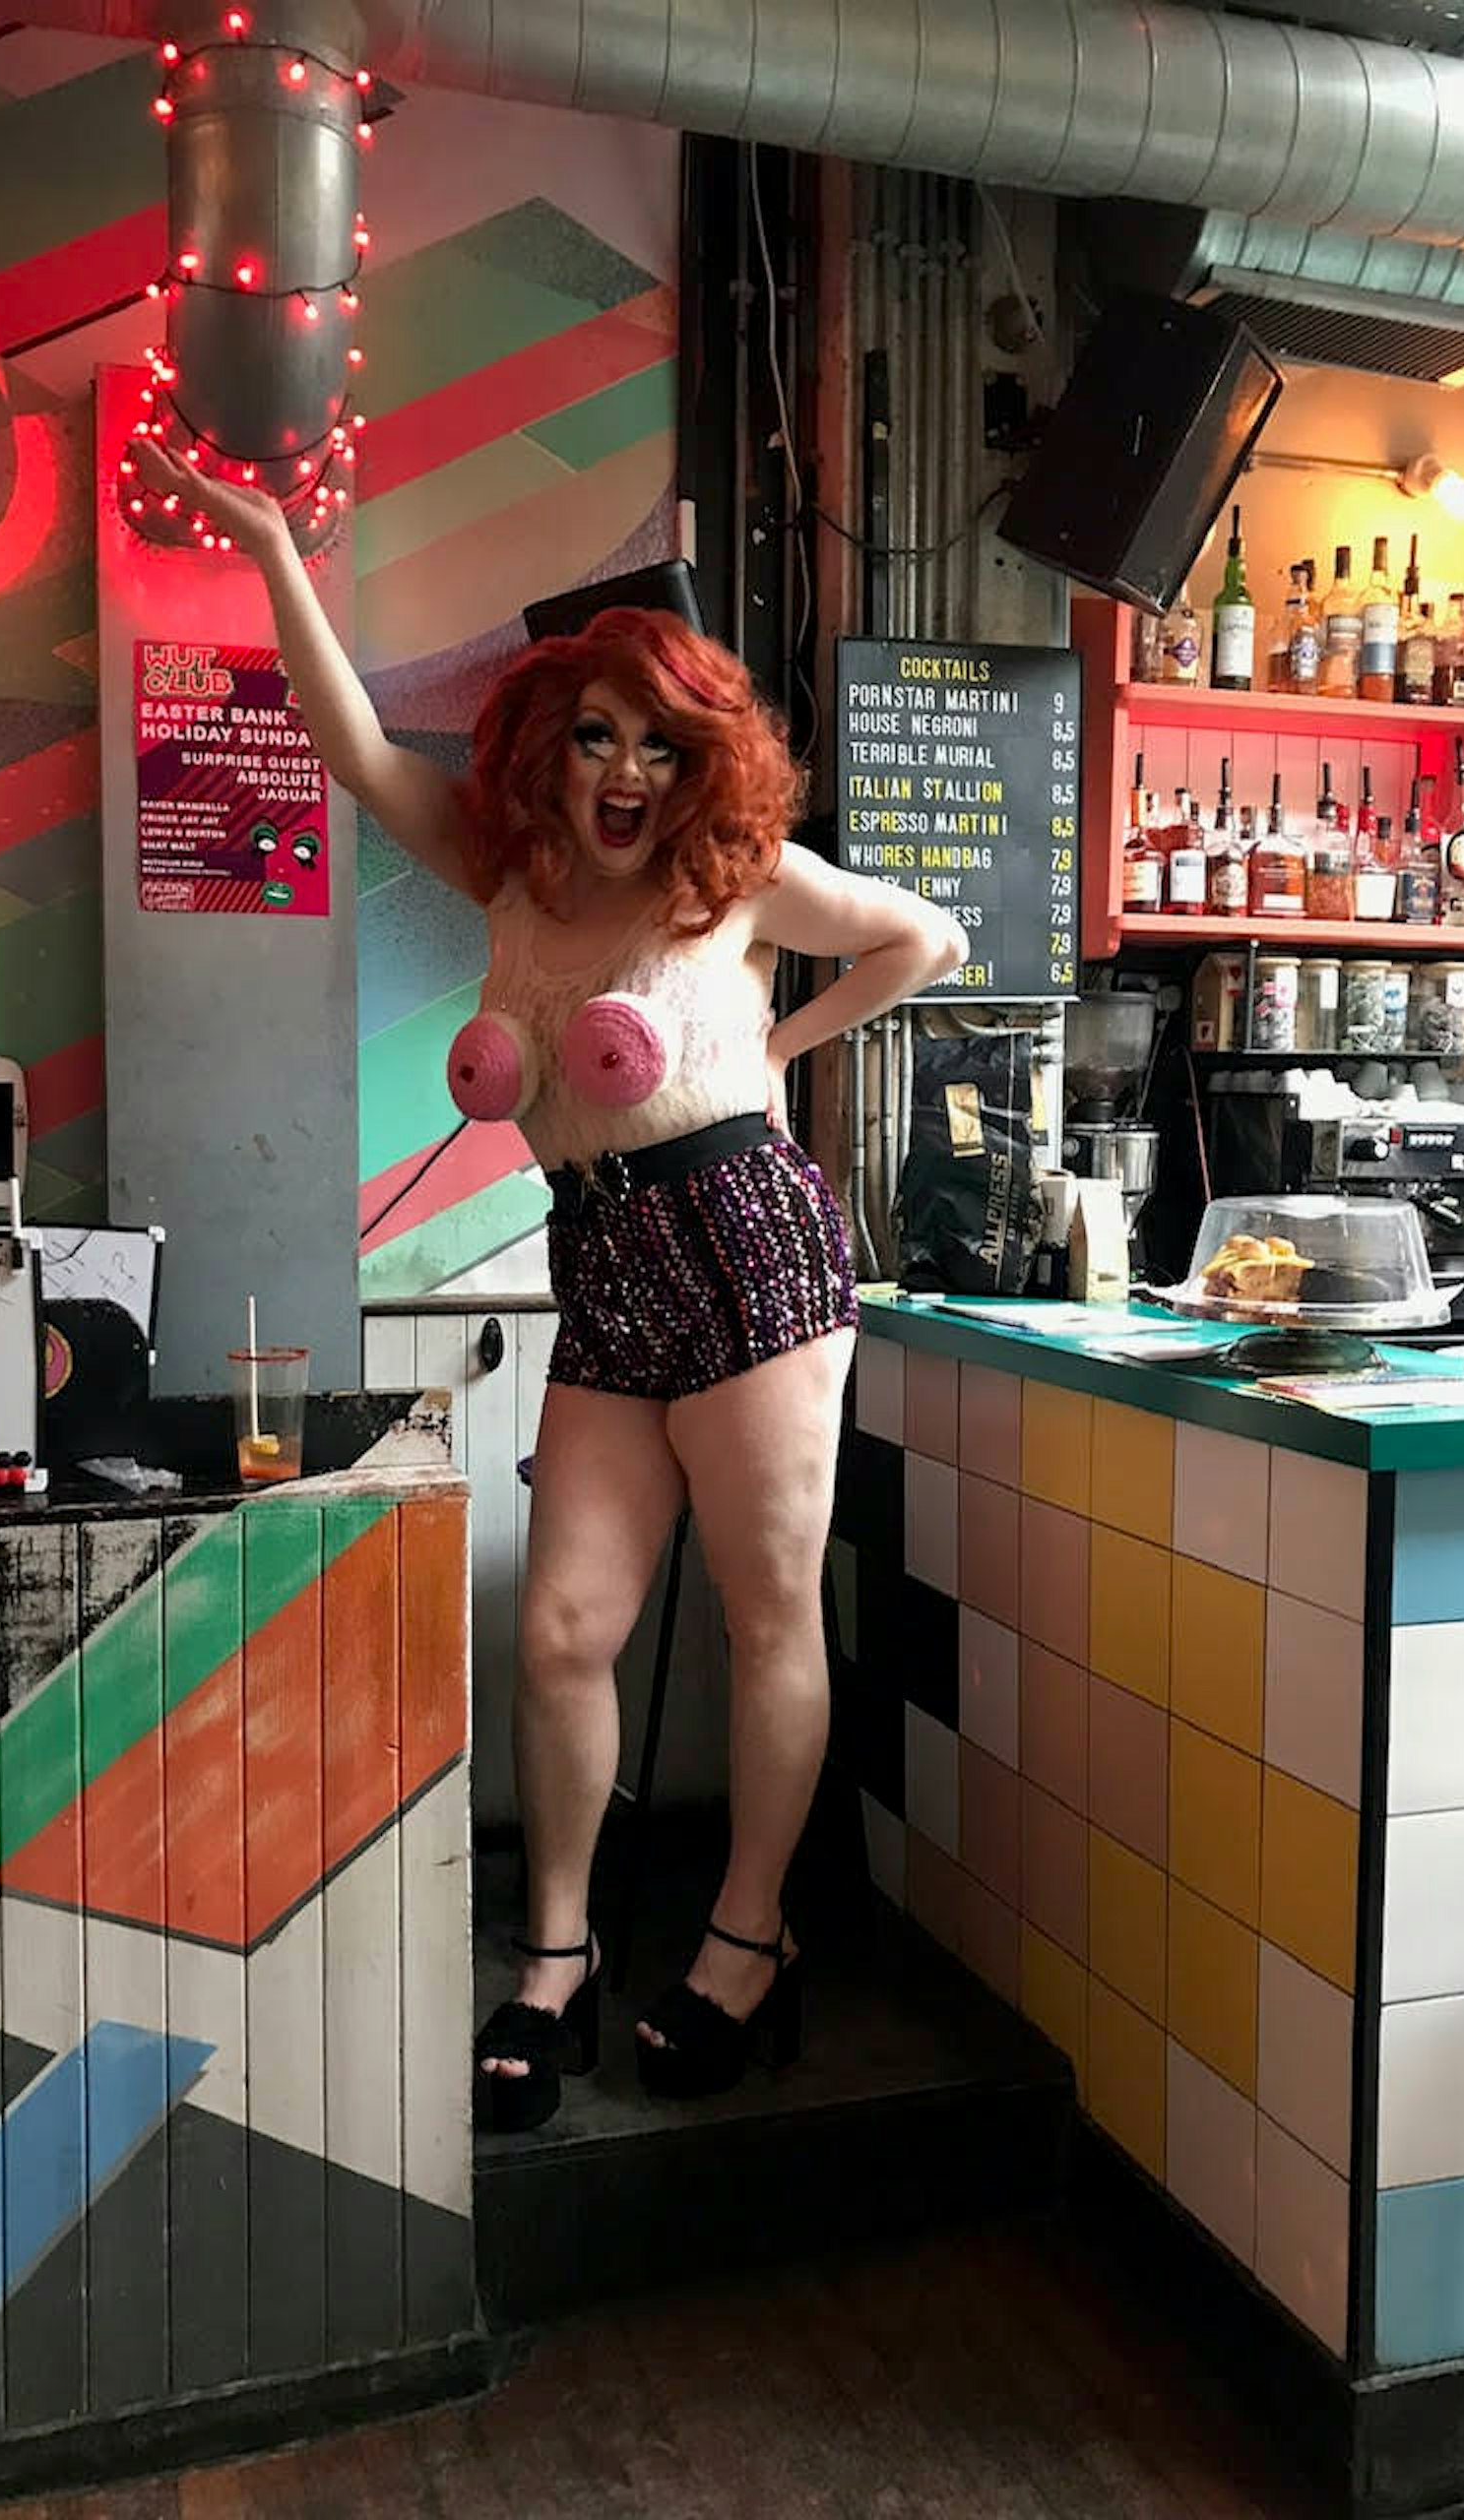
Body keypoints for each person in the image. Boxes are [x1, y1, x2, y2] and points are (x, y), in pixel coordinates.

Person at [139, 444, 966, 2128]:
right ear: (547, 741)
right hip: (602, 1258)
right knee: (568, 1628)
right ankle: (561, 1955)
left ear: (700, 764)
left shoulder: (731, 882)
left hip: (750, 1244)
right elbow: (353, 743)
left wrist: (773, 1050)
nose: (627, 772)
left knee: (763, 1618)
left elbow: (924, 940)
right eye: (598, 733)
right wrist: (273, 546)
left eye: (664, 745)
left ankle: (746, 1940)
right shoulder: (506, 877)